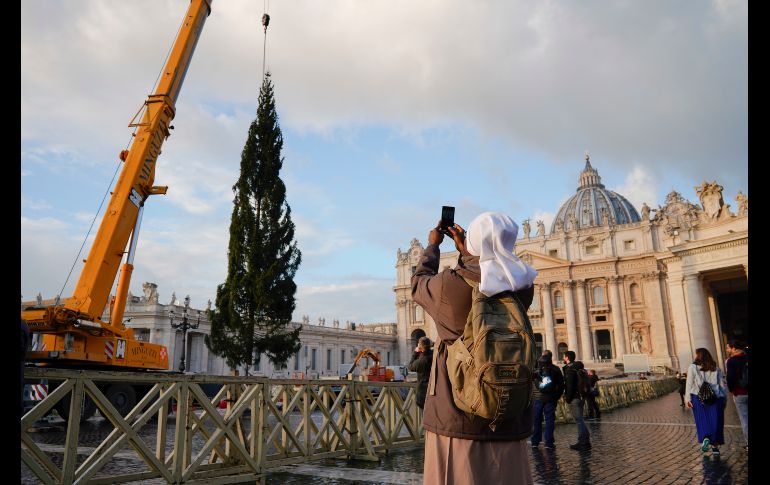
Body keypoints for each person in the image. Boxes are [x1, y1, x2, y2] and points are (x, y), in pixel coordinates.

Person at [412, 212, 537, 484]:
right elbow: (489, 275)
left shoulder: (449, 285)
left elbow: (419, 283)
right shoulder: (523, 287)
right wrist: (469, 252)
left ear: (474, 242)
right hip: (510, 411)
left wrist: (433, 246)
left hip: (458, 414)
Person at [685, 348, 728, 456]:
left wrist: (687, 399)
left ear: (698, 356)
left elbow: (689, 384)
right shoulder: (716, 368)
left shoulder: (693, 367)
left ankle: (705, 438)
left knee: (701, 421)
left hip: (698, 398)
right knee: (716, 422)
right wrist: (724, 399)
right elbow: (722, 386)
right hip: (715, 398)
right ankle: (715, 448)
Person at [531, 350, 564, 450]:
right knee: (550, 421)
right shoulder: (556, 369)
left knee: (536, 420)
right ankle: (549, 443)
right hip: (550, 398)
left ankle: (535, 442)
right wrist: (556, 397)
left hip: (537, 399)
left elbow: (532, 385)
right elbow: (561, 386)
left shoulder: (536, 370)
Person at [562, 350, 591, 451]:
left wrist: (568, 398)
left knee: (579, 421)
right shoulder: (578, 368)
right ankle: (585, 441)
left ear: (567, 358)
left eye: (564, 356)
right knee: (580, 420)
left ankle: (583, 443)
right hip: (580, 396)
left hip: (574, 397)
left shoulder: (570, 370)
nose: (563, 358)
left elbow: (569, 386)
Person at [725, 340, 748, 451]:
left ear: (733, 348)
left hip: (740, 393)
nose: (727, 350)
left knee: (744, 419)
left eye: (728, 347)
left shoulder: (731, 361)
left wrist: (731, 390)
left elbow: (730, 378)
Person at [408, 336, 433, 410]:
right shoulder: (434, 356)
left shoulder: (421, 361)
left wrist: (415, 352)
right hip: (435, 392)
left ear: (420, 347)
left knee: (425, 417)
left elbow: (410, 366)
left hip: (423, 394)